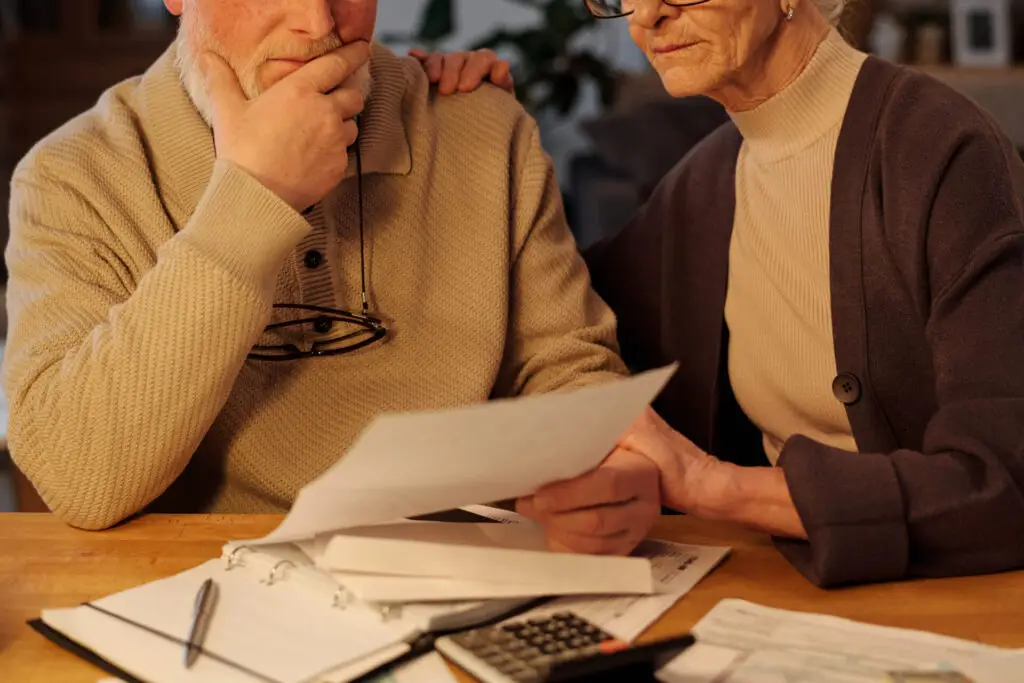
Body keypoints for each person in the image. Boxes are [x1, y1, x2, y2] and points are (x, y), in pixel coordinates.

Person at [2, 0, 663, 548]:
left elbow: (570, 373)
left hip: (468, 585)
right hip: (205, 599)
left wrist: (602, 469)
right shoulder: (72, 176)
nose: (318, 23)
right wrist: (253, 197)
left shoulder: (482, 128)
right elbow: (79, 475)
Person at [445, 0, 1024, 587]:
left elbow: (1004, 484)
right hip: (783, 587)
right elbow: (541, 324)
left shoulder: (944, 149)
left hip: (962, 600)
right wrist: (467, 133)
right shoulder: (704, 184)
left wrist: (708, 484)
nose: (645, 17)